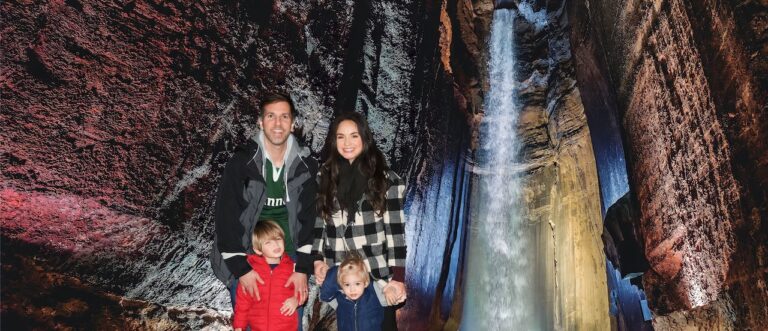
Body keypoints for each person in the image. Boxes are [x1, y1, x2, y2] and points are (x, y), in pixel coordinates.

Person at [210, 93, 318, 329]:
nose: (277, 124)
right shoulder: (242, 163)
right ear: (260, 122)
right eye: (271, 116)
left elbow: (310, 219)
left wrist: (303, 269)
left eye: (284, 117)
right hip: (248, 259)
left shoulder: (306, 165)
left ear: (293, 123)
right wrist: (241, 269)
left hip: (289, 264)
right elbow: (225, 217)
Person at [312, 112, 408, 331]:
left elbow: (395, 233)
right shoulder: (325, 177)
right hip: (342, 276)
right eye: (340, 137)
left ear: (365, 139)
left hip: (375, 276)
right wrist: (318, 259)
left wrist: (398, 278)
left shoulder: (387, 180)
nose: (347, 143)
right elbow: (320, 222)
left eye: (354, 136)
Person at [234, 221, 298, 331]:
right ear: (258, 250)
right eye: (268, 242)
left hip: (286, 327)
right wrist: (239, 326)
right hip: (258, 327)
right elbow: (243, 302)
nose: (276, 244)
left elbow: (303, 290)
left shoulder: (292, 267)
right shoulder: (250, 271)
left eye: (278, 239)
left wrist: (297, 300)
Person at [319, 254, 384, 331]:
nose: (352, 289)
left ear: (366, 282)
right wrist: (335, 272)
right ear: (341, 285)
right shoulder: (340, 298)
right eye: (347, 284)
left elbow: (391, 299)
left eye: (357, 283)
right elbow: (325, 295)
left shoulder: (374, 293)